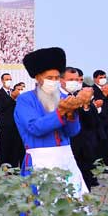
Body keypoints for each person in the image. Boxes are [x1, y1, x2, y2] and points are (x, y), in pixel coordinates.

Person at [13, 47, 89, 197]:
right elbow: (35, 127)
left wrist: (72, 115)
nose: (53, 81)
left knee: (71, 204)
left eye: (56, 77)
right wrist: (60, 113)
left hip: (66, 157)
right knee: (41, 207)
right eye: (49, 77)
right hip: (39, 159)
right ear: (38, 77)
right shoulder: (26, 100)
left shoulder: (63, 97)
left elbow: (73, 131)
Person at [64, 67, 100, 188]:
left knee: (85, 178)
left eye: (79, 80)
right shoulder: (58, 97)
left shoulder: (85, 96)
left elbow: (93, 121)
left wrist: (86, 105)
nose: (76, 82)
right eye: (72, 80)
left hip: (84, 144)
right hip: (67, 144)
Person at [0, 72, 25, 169]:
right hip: (5, 124)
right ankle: (3, 167)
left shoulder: (14, 91)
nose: (8, 81)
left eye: (10, 79)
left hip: (16, 124)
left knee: (16, 146)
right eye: (6, 79)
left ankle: (14, 166)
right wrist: (11, 98)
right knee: (5, 146)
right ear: (2, 81)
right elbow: (0, 107)